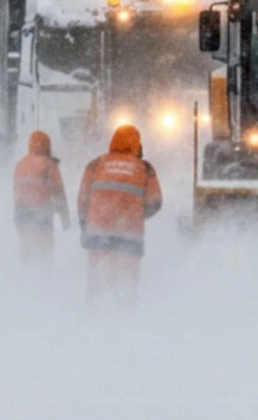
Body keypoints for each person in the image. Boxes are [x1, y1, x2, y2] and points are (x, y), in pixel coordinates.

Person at [77, 124, 163, 308]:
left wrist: (84, 227)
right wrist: (136, 214)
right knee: (126, 287)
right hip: (129, 238)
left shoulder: (96, 164)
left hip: (98, 235)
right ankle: (123, 327)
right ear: (137, 145)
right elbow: (155, 202)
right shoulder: (144, 168)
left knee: (97, 284)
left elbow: (83, 200)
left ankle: (92, 324)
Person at [13, 131, 70, 272]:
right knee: (45, 250)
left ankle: (24, 277)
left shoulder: (20, 164)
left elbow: (15, 191)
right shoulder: (48, 164)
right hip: (41, 214)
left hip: (21, 214)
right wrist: (65, 217)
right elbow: (58, 191)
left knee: (26, 247)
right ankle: (44, 281)